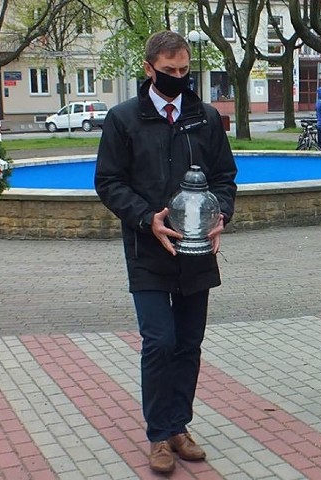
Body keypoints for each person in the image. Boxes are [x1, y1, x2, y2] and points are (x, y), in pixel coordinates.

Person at [94, 30, 237, 474]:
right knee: (160, 343)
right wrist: (145, 217)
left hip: (197, 253)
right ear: (148, 68)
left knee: (189, 344)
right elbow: (108, 182)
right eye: (169, 71)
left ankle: (179, 426)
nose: (178, 78)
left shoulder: (205, 117)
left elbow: (225, 176)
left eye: (184, 71)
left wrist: (222, 215)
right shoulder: (123, 119)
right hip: (148, 249)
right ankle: (158, 434)